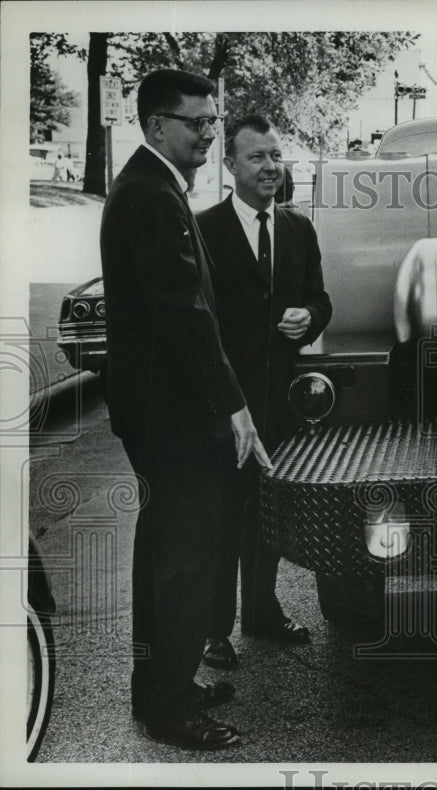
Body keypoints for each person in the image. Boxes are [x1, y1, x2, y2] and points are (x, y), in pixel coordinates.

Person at [100, 69, 270, 750]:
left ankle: (161, 687)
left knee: (164, 553)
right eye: (195, 121)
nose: (207, 132)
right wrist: (234, 405)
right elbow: (184, 314)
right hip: (174, 415)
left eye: (212, 120)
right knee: (187, 558)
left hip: (159, 411)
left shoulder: (151, 188)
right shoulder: (152, 196)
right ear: (153, 126)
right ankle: (171, 706)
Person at [197, 115, 331, 671]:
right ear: (229, 165)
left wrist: (310, 317)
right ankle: (213, 630)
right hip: (224, 406)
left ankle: (261, 611)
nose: (271, 166)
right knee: (224, 516)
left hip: (281, 404)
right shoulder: (204, 229)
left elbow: (321, 300)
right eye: (256, 157)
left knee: (269, 512)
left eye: (276, 155)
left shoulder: (299, 229)